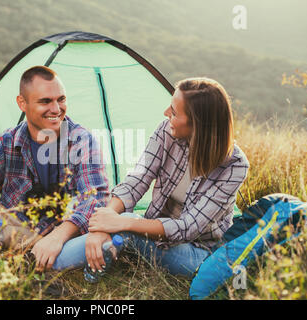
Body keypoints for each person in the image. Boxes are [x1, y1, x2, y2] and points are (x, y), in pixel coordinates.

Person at [52, 77, 249, 278]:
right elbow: (137, 180)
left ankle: (50, 262)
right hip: (155, 236)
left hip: (197, 253)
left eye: (173, 112)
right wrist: (104, 223)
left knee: (126, 225)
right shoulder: (166, 131)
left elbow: (188, 228)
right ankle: (56, 250)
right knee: (116, 221)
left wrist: (123, 223)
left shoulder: (234, 166)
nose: (165, 114)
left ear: (197, 124)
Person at [0, 66, 109, 271]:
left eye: (61, 99)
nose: (56, 109)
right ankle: (2, 263)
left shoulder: (81, 140)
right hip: (16, 233)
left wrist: (56, 237)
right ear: (22, 103)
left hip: (64, 240)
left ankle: (9, 264)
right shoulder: (7, 142)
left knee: (106, 240)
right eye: (45, 101)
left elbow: (96, 198)